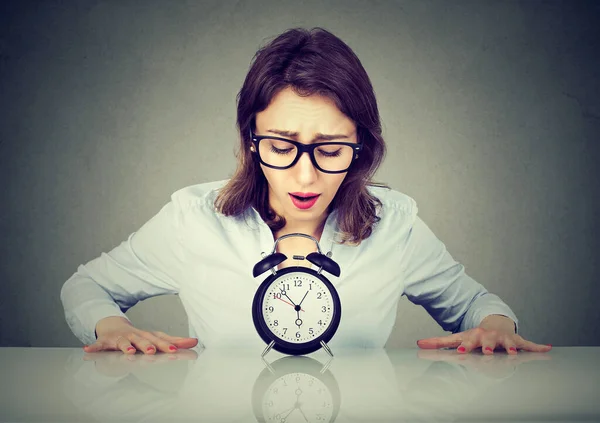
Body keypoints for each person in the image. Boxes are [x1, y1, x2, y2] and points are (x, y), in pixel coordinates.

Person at [61, 27, 551, 356]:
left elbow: (474, 304)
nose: (304, 177)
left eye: (331, 149)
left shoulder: (395, 225)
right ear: (250, 142)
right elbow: (87, 286)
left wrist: (496, 327)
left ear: (363, 146)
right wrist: (115, 329)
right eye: (281, 146)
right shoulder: (194, 219)